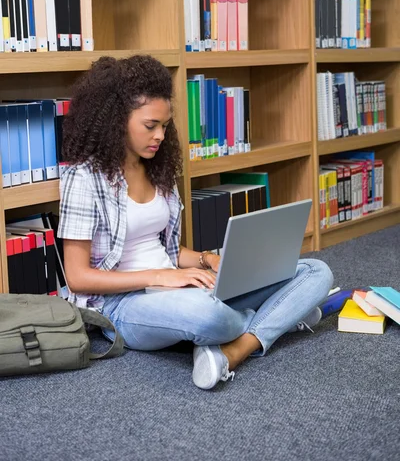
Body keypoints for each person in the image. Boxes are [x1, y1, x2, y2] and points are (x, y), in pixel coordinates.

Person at [58, 54, 334, 390]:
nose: (159, 136)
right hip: (123, 307)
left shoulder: (158, 171)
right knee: (213, 316)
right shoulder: (83, 179)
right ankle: (278, 318)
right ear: (116, 120)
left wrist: (209, 260)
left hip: (177, 287)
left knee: (316, 272)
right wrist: (162, 276)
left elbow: (171, 252)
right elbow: (77, 277)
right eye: (150, 126)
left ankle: (235, 349)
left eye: (164, 125)